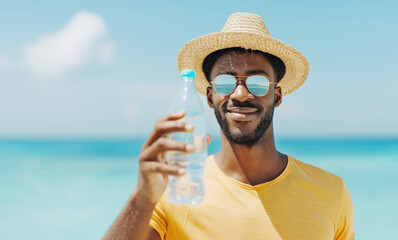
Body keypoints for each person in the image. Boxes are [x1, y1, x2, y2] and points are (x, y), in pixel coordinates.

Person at [103, 12, 355, 240]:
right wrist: (142, 199)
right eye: (225, 82)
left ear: (276, 96)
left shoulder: (331, 192)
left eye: (257, 82)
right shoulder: (176, 189)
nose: (241, 93)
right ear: (210, 96)